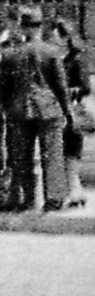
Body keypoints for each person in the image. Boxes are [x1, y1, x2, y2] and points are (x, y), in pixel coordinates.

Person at [0, 6, 69, 213]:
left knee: (20, 157)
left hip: (19, 110)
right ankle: (54, 199)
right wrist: (67, 112)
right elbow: (60, 87)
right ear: (40, 27)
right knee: (52, 155)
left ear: (23, 28)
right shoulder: (52, 52)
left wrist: (7, 108)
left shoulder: (10, 54)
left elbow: (4, 88)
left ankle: (26, 199)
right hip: (48, 109)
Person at [46, 15, 90, 211]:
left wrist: (69, 90)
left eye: (56, 37)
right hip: (56, 110)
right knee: (61, 154)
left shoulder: (76, 59)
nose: (53, 41)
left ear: (65, 38)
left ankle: (75, 191)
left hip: (71, 110)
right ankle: (74, 191)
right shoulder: (53, 58)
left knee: (71, 153)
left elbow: (85, 86)